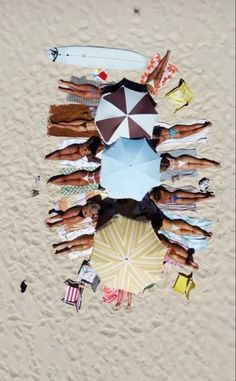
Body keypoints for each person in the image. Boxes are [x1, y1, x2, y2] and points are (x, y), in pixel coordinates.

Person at [149, 185, 214, 205]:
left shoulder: (159, 201)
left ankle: (207, 198)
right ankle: (206, 195)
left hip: (174, 200)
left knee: (194, 200)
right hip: (175, 194)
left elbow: (156, 202)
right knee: (194, 195)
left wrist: (153, 199)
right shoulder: (161, 191)